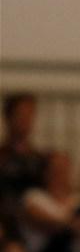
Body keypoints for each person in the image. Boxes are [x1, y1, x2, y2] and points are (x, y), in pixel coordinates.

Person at [19, 150, 80, 252]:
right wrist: (78, 225)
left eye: (64, 169)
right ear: (45, 172)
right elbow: (43, 222)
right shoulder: (34, 197)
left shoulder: (79, 199)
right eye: (56, 169)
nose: (60, 174)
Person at [0, 93, 45, 222]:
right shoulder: (3, 158)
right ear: (8, 117)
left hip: (38, 223)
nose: (25, 120)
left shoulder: (40, 159)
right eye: (20, 114)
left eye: (30, 115)